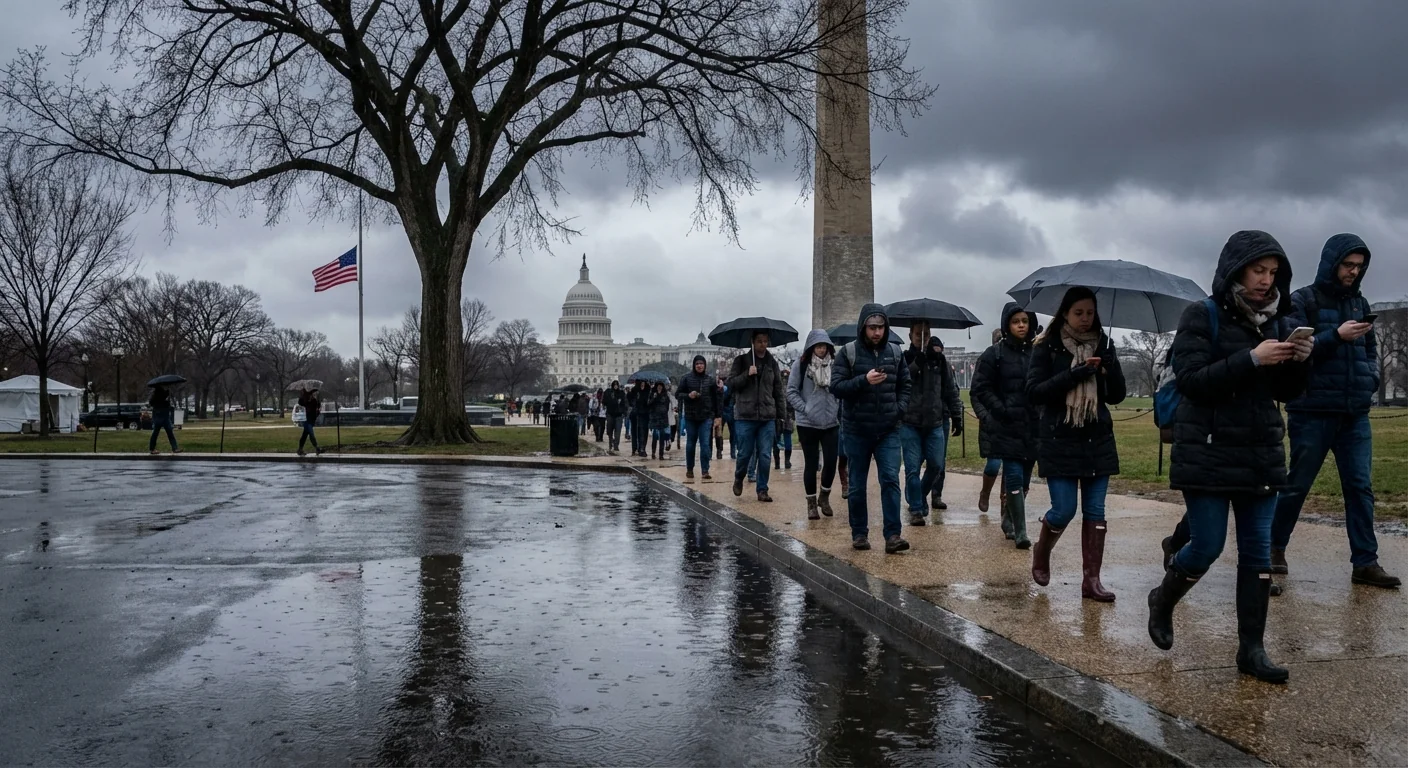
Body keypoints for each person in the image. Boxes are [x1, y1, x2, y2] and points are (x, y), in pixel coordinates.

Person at [1148, 230, 1312, 685]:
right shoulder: (1201, 315)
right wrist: (1252, 359)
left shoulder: (1280, 319)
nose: (1266, 280)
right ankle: (1163, 599)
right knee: (1207, 546)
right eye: (1259, 270)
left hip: (1259, 451)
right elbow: (1194, 380)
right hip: (1207, 450)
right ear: (1236, 269)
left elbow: (1288, 392)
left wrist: (1298, 359)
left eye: (1273, 273)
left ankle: (1252, 649)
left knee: (1258, 552)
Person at [1272, 234, 1399, 589]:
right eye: (1348, 265)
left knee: (1360, 487)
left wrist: (1370, 379)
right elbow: (1295, 351)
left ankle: (1365, 562)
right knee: (1296, 485)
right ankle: (1273, 548)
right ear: (1332, 262)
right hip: (1311, 411)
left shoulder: (1360, 303)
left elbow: (1371, 349)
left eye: (1359, 266)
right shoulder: (1302, 300)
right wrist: (1336, 336)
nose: (1353, 272)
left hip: (1354, 413)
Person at [1026, 286, 1127, 601]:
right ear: (1065, 314)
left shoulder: (1104, 344)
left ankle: (1092, 581)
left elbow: (1116, 396)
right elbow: (1034, 392)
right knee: (1064, 509)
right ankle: (1042, 551)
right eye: (1078, 313)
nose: (1085, 319)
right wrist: (1075, 375)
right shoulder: (1047, 346)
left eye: (1090, 313)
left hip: (1097, 438)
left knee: (1096, 510)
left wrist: (1109, 368)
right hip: (1059, 437)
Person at [832, 303, 913, 553]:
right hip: (857, 429)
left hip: (888, 429)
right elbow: (836, 386)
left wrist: (898, 410)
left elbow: (906, 385)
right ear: (863, 327)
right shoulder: (847, 353)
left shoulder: (895, 353)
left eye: (881, 327)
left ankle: (893, 535)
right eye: (872, 327)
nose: (877, 332)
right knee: (857, 484)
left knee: (890, 479)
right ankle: (859, 533)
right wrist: (863, 381)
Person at [971, 303, 1038, 549]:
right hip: (1007, 426)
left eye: (1025, 321)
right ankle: (1021, 531)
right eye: (1016, 321)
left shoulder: (1037, 353)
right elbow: (981, 387)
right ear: (1007, 325)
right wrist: (1000, 410)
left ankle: (1009, 519)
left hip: (1032, 426)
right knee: (1013, 477)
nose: (1021, 325)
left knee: (1026, 479)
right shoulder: (994, 354)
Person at [899, 327, 964, 526]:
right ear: (911, 336)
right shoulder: (904, 357)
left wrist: (956, 415)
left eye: (926, 335)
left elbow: (950, 389)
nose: (923, 339)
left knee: (936, 465)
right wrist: (917, 363)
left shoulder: (939, 359)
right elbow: (900, 382)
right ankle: (917, 509)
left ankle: (918, 495)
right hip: (910, 421)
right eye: (919, 335)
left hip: (935, 421)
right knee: (912, 468)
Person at [787, 330, 841, 520]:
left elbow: (840, 389)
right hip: (807, 423)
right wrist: (805, 409)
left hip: (830, 422)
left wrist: (837, 407)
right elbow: (791, 391)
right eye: (818, 346)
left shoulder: (835, 366)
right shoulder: (800, 366)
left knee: (831, 462)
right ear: (811, 347)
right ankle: (811, 503)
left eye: (824, 346)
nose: (821, 349)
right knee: (811, 464)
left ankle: (824, 497)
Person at [727, 331, 786, 502]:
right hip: (745, 415)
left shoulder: (772, 363)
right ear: (752, 342)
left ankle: (762, 489)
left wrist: (781, 416)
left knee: (765, 455)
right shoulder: (741, 361)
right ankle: (739, 477)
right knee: (744, 453)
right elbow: (731, 384)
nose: (763, 344)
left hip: (767, 416)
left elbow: (778, 391)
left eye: (765, 341)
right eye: (759, 341)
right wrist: (747, 374)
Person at [676, 355, 719, 482]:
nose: (699, 366)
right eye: (697, 364)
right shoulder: (686, 378)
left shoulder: (710, 380)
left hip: (706, 416)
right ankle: (690, 468)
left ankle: (705, 470)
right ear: (694, 366)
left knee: (705, 444)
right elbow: (678, 394)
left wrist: (717, 415)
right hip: (691, 416)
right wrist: (689, 395)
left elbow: (715, 398)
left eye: (701, 363)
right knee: (690, 445)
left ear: (704, 365)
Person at [147, 384, 181, 455]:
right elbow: (164, 400)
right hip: (163, 416)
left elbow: (151, 403)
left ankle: (152, 449)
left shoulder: (154, 396)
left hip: (159, 416)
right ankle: (174, 448)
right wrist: (168, 392)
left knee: (156, 433)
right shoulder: (161, 394)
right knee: (169, 432)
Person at [774, 375, 794, 471]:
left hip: (780, 416)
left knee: (778, 440)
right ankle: (784, 461)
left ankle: (781, 462)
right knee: (783, 439)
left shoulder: (775, 385)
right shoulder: (790, 385)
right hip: (782, 416)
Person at [648, 381, 672, 460]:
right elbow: (649, 404)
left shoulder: (665, 395)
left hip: (663, 418)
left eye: (661, 386)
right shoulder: (652, 394)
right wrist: (654, 398)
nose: (659, 387)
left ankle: (661, 454)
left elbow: (667, 405)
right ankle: (653, 452)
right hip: (655, 417)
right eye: (658, 386)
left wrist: (663, 410)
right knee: (655, 436)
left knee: (662, 436)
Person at [297, 386, 324, 456]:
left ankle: (300, 449)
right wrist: (302, 395)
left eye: (314, 394)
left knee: (304, 436)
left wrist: (318, 410)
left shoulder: (314, 401)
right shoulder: (307, 401)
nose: (313, 395)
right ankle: (317, 448)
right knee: (311, 435)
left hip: (311, 421)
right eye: (313, 394)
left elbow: (316, 411)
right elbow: (300, 402)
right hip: (307, 422)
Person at [627, 380, 650, 457]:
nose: (642, 384)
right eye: (641, 383)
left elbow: (649, 402)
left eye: (644, 383)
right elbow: (630, 400)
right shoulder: (634, 390)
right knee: (635, 431)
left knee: (643, 431)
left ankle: (642, 448)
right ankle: (635, 448)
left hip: (644, 414)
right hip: (635, 414)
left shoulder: (648, 391)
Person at [603, 381, 627, 453]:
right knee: (609, 430)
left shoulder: (621, 393)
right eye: (614, 385)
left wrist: (624, 412)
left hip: (618, 415)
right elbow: (604, 402)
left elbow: (624, 403)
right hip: (610, 414)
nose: (616, 386)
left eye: (617, 385)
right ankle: (611, 443)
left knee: (618, 431)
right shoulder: (608, 392)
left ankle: (616, 445)